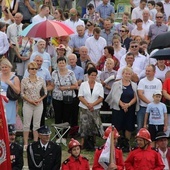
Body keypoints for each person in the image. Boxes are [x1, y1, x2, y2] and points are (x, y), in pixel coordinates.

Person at [106, 67, 138, 150]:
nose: (127, 75)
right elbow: (114, 95)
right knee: (117, 126)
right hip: (118, 108)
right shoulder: (116, 84)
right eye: (126, 73)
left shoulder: (134, 85)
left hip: (130, 108)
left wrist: (128, 105)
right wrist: (122, 105)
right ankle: (115, 143)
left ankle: (126, 143)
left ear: (131, 75)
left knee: (129, 126)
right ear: (122, 74)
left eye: (129, 74)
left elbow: (135, 97)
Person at [49, 57, 77, 143]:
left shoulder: (71, 73)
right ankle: (58, 135)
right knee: (58, 116)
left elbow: (75, 85)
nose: (61, 64)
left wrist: (65, 88)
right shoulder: (54, 73)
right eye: (60, 63)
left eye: (63, 63)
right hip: (57, 98)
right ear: (57, 64)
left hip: (68, 98)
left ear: (66, 63)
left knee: (66, 117)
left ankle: (64, 135)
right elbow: (52, 85)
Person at [21, 61, 47, 151]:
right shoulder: (24, 80)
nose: (34, 70)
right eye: (32, 69)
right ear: (28, 70)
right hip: (28, 104)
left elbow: (45, 92)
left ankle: (36, 142)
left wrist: (39, 100)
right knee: (26, 124)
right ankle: (25, 143)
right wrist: (30, 101)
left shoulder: (41, 79)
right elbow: (22, 93)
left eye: (35, 69)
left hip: (39, 104)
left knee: (37, 124)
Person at [78, 67, 104, 148]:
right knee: (84, 125)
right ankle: (82, 143)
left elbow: (101, 97)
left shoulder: (99, 85)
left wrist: (92, 105)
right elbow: (80, 96)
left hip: (95, 108)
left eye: (95, 75)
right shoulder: (83, 84)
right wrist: (88, 105)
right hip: (84, 108)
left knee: (94, 125)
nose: (93, 77)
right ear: (88, 76)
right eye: (92, 75)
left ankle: (93, 142)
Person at [137, 65, 162, 132]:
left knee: (152, 128)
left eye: (149, 71)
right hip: (143, 107)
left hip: (155, 108)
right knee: (140, 127)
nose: (147, 72)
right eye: (146, 71)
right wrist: (150, 103)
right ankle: (139, 141)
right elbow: (140, 94)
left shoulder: (158, 82)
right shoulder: (142, 81)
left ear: (154, 72)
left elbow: (159, 95)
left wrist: (152, 105)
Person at [0, 58, 20, 125]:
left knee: (9, 122)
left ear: (10, 67)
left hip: (10, 102)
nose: (4, 69)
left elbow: (18, 91)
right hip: (0, 102)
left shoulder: (15, 78)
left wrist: (11, 84)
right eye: (2, 67)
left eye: (6, 67)